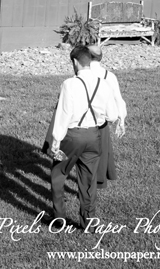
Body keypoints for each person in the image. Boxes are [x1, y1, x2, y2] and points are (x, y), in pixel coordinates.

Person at [47, 46, 119, 230]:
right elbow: (112, 116)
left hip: (71, 138)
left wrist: (56, 141)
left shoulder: (69, 84)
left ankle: (59, 218)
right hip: (94, 137)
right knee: (88, 180)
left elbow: (63, 115)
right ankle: (89, 223)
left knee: (58, 173)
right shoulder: (104, 84)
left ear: (75, 62)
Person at [88, 45, 127, 189]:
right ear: (101, 57)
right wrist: (121, 120)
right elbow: (118, 99)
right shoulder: (109, 76)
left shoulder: (80, 74)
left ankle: (87, 184)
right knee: (101, 153)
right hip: (101, 123)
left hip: (82, 123)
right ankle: (98, 182)